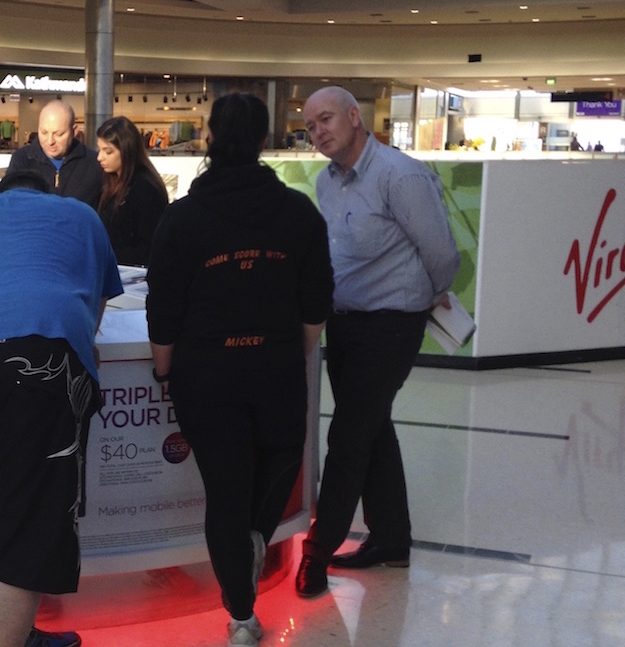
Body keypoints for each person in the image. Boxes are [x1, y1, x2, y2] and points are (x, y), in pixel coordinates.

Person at [145, 92, 334, 647]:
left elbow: (165, 306)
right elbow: (316, 300)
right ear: (261, 143)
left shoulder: (182, 218)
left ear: (208, 139)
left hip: (205, 374)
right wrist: (294, 351)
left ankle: (242, 616)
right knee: (279, 459)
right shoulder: (299, 212)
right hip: (275, 365)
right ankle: (255, 537)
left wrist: (162, 372)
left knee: (224, 490)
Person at [0, 170, 123, 647]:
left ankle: (22, 632)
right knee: (30, 522)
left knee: (3, 503)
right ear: (47, 192)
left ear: (0, 194)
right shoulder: (79, 214)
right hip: (42, 362)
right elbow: (94, 303)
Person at [295, 86, 460, 598]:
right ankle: (390, 540)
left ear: (354, 116)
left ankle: (317, 553)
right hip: (345, 323)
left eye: (325, 119)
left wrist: (421, 298)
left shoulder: (399, 174)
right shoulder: (326, 182)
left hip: (391, 325)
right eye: (309, 127)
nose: (318, 131)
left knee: (347, 438)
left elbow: (443, 255)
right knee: (372, 430)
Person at [95, 116, 169, 266]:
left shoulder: (145, 188)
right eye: (99, 150)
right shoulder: (111, 181)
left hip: (133, 277)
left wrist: (105, 256)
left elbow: (149, 248)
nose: (99, 157)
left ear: (126, 150)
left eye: (108, 152)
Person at [7, 100, 103, 209]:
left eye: (58, 134)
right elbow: (8, 204)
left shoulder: (93, 163)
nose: (50, 141)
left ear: (74, 131)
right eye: (44, 132)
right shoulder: (22, 159)